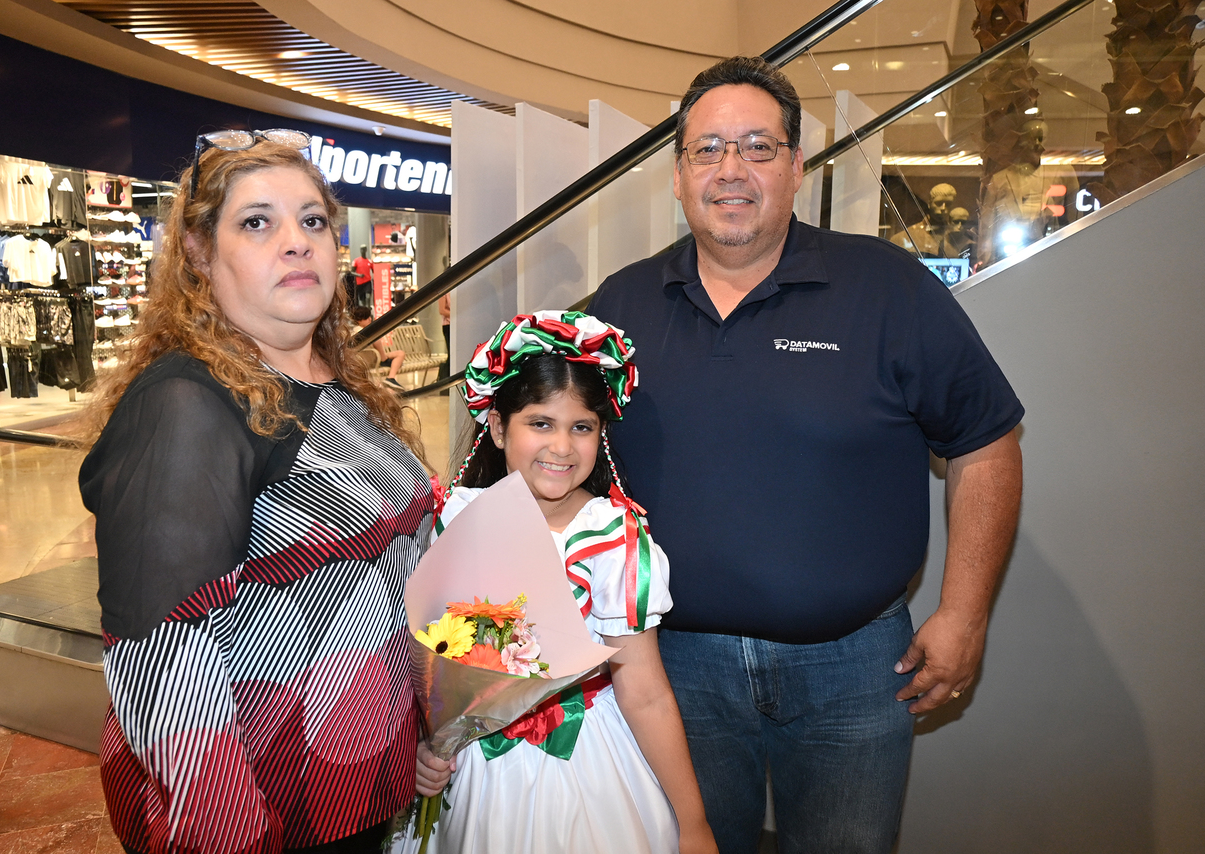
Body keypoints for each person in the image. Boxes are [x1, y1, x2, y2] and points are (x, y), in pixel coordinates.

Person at [588, 57, 1024, 854]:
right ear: (678, 176)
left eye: (758, 147)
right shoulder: (618, 304)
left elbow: (986, 444)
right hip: (667, 667)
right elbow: (559, 453)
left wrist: (964, 613)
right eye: (707, 149)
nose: (731, 169)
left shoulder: (888, 288)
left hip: (853, 668)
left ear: (796, 168)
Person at [77, 129, 435, 854]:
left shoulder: (338, 382)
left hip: (366, 779)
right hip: (271, 806)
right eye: (257, 222)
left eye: (313, 221)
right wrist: (226, 832)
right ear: (199, 254)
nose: (297, 242)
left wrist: (428, 723)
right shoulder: (187, 404)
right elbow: (160, 664)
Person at [407, 311, 717, 854]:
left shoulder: (610, 537)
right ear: (498, 427)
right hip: (474, 764)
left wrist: (693, 825)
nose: (562, 447)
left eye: (582, 427)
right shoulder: (455, 516)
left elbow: (645, 693)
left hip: (585, 759)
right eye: (540, 423)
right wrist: (428, 745)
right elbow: (432, 663)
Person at [977, 117, 1079, 268]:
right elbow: (987, 224)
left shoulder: (1062, 174)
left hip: (1049, 254)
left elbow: (1074, 218)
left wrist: (1074, 255)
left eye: (1040, 139)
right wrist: (985, 261)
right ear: (1020, 141)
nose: (1037, 144)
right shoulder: (999, 180)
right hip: (1008, 256)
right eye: (1031, 139)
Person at [351, 305, 406, 389]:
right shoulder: (361, 331)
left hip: (372, 356)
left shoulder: (354, 331)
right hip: (370, 358)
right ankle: (389, 373)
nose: (370, 319)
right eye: (367, 318)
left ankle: (391, 377)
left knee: (400, 354)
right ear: (359, 320)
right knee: (399, 354)